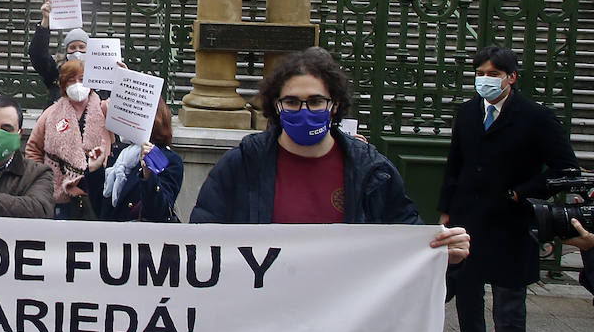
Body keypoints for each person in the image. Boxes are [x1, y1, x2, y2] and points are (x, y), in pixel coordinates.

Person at [189, 48, 469, 251]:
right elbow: (201, 240)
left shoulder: (373, 173)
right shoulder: (242, 165)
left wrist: (444, 254)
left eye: (315, 101)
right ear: (276, 105)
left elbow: (409, 242)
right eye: (291, 102)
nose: (304, 110)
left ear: (334, 104)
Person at [438, 45, 579, 332]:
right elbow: (455, 164)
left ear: (511, 77)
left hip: (511, 223)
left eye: (493, 74)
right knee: (466, 292)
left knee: (509, 306)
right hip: (469, 217)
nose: (485, 79)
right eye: (480, 73)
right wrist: (446, 210)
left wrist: (522, 193)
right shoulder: (468, 113)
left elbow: (566, 169)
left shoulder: (535, 117)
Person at [25, 58, 112, 219]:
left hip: (98, 190)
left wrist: (123, 74)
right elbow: (33, 149)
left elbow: (127, 110)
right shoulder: (50, 114)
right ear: (63, 84)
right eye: (71, 80)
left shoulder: (104, 109)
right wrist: (43, 180)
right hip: (59, 194)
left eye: (82, 79)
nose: (77, 84)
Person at [100, 100, 184, 223]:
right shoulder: (122, 155)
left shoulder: (168, 159)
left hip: (142, 238)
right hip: (113, 237)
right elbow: (102, 210)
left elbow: (158, 211)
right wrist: (95, 170)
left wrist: (148, 175)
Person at [28, 0, 88, 104]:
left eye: (81, 47)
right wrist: (45, 21)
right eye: (72, 47)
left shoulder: (97, 72)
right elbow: (38, 54)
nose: (77, 51)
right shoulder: (56, 70)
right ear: (66, 50)